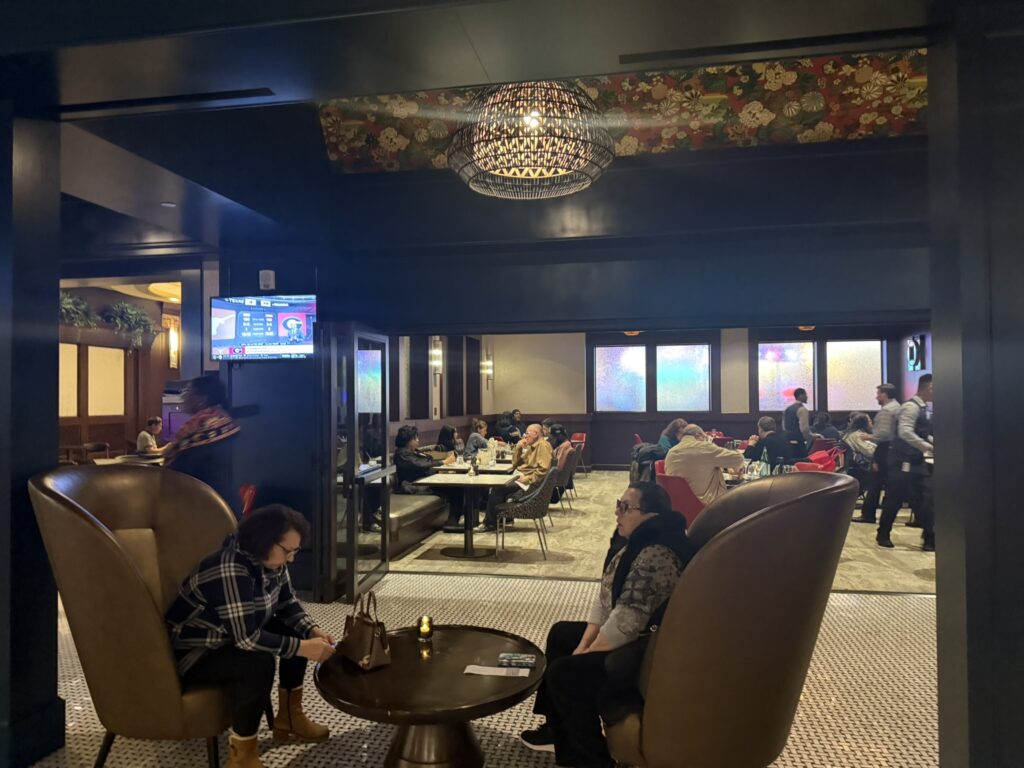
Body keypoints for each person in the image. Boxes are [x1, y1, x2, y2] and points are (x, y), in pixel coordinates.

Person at [520, 482, 695, 767]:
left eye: (625, 507)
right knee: (562, 634)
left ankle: (590, 760)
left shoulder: (656, 553)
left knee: (565, 674)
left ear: (651, 514)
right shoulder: (635, 542)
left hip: (647, 649)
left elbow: (627, 621)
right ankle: (557, 728)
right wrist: (582, 644)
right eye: (618, 503)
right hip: (637, 632)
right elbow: (605, 600)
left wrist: (587, 654)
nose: (617, 512)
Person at [166, 505, 335, 768]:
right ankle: (242, 755)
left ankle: (290, 718)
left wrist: (311, 631)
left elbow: (287, 603)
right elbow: (246, 639)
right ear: (264, 541)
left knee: (294, 630)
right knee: (258, 661)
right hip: (196, 651)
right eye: (287, 551)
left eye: (295, 551)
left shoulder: (271, 561)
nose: (290, 559)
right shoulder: (229, 567)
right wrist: (303, 648)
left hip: (229, 637)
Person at [165, 375, 241, 515]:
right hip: (226, 504)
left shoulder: (199, 434)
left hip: (206, 511)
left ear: (201, 399)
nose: (182, 396)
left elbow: (175, 474)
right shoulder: (222, 420)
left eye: (187, 392)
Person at [877, 374, 934, 551]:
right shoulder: (911, 407)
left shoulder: (923, 408)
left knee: (925, 498)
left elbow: (920, 432)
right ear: (929, 387)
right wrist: (927, 446)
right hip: (902, 460)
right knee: (895, 497)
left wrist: (931, 442)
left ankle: (930, 538)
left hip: (915, 460)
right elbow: (905, 432)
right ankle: (883, 532)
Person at [478, 423, 552, 531]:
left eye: (527, 433)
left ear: (536, 434)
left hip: (529, 484)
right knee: (500, 481)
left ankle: (490, 523)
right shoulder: (533, 446)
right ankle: (504, 517)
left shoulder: (543, 446)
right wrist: (518, 447)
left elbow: (543, 470)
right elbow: (515, 464)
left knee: (497, 488)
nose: (525, 436)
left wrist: (527, 479)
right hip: (520, 476)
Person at [663, 424, 745, 506]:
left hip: (676, 505)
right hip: (704, 507)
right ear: (698, 435)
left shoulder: (671, 452)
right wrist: (710, 444)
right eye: (705, 437)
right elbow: (738, 458)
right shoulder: (704, 447)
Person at [855, 383, 900, 524]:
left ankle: (868, 514)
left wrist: (868, 437)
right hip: (894, 450)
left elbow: (884, 434)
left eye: (878, 393)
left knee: (875, 483)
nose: (876, 397)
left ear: (885, 394)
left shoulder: (887, 410)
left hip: (885, 449)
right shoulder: (898, 407)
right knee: (889, 483)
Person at [393, 424, 454, 493]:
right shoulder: (402, 454)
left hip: (424, 480)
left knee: (452, 484)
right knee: (452, 488)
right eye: (415, 438)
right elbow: (420, 464)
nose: (418, 440)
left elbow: (428, 460)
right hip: (413, 485)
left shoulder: (413, 451)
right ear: (408, 440)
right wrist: (443, 462)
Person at [842, 412, 877, 496]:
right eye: (869, 421)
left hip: (856, 466)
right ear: (863, 423)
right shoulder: (857, 435)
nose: (871, 423)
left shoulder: (852, 433)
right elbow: (869, 452)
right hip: (862, 467)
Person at [783, 388, 813, 456]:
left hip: (787, 442)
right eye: (805, 394)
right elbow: (804, 429)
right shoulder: (802, 409)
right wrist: (810, 438)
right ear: (801, 396)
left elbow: (784, 426)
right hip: (799, 443)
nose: (807, 397)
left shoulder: (787, 409)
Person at [549, 424, 575, 502]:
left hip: (556, 478)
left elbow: (558, 466)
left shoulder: (563, 447)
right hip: (561, 480)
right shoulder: (567, 443)